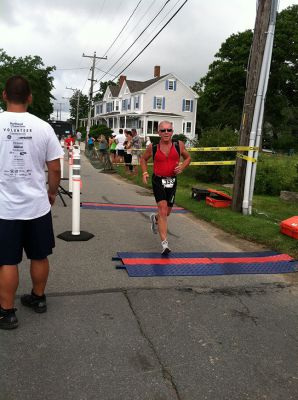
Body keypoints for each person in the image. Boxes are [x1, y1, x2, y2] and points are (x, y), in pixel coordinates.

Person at [0, 75, 63, 330]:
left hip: (5, 209)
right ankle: (38, 299)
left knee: (7, 260)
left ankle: (6, 312)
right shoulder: (43, 127)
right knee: (39, 255)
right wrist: (51, 192)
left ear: (4, 95)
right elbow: (55, 168)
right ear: (30, 97)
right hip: (37, 206)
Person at [140, 121, 191, 255]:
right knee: (163, 210)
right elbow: (143, 159)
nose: (166, 133)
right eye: (163, 130)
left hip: (172, 181)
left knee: (166, 212)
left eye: (169, 130)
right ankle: (165, 244)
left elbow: (188, 158)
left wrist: (182, 166)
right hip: (158, 180)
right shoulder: (153, 147)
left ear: (172, 131)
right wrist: (145, 173)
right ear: (158, 132)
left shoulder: (178, 145)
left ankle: (155, 218)